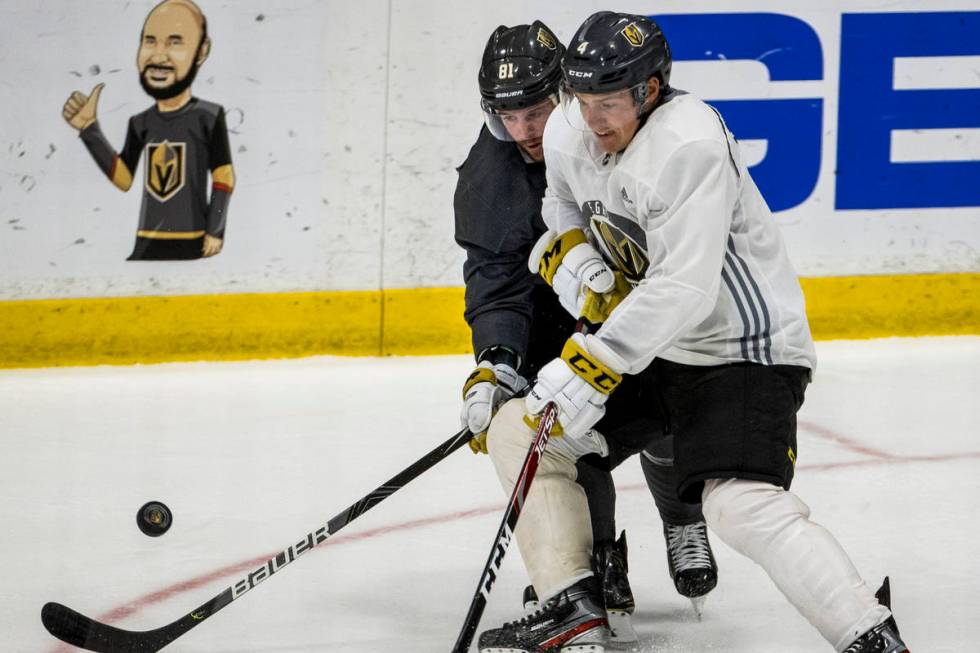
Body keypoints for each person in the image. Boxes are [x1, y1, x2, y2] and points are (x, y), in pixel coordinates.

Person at [478, 11, 910, 653]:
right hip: (658, 346)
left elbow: (684, 287)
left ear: (650, 89)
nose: (593, 121)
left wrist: (594, 362)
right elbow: (560, 199)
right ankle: (572, 609)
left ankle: (867, 631)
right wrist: (574, 254)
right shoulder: (573, 123)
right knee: (523, 431)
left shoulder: (689, 144)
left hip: (740, 349)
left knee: (739, 506)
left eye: (609, 103)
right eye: (583, 100)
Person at [455, 21, 718, 642]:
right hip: (558, 319)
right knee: (562, 419)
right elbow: (495, 278)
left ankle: (682, 515)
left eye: (537, 111)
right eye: (507, 117)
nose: (524, 132)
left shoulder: (628, 135)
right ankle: (599, 563)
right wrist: (497, 362)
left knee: (670, 407)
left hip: (647, 302)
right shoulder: (490, 177)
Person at [62, 0, 234, 260]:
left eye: (175, 42)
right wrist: (89, 130)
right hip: (146, 242)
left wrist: (215, 230)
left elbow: (224, 176)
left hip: (193, 242)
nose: (158, 55)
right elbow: (124, 178)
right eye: (150, 40)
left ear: (201, 51)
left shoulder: (208, 116)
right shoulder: (140, 122)